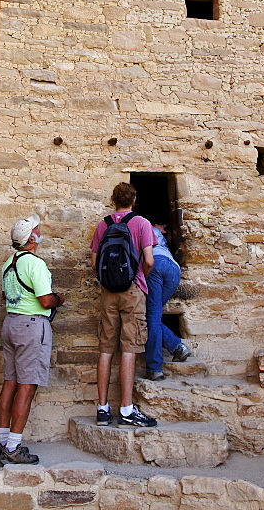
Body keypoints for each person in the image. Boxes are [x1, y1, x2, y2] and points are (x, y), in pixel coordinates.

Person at [0, 214, 65, 466]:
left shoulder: (7, 263)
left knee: (10, 382)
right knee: (27, 384)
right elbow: (45, 300)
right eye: (36, 229)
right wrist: (59, 299)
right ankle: (13, 446)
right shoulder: (35, 264)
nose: (39, 231)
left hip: (11, 322)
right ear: (31, 239)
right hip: (31, 325)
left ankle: (2, 441)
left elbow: (6, 295)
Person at [90, 181, 158, 428]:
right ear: (134, 200)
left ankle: (102, 409)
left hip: (108, 291)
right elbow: (149, 260)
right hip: (132, 290)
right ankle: (127, 410)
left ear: (113, 200)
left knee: (106, 349)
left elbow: (94, 261)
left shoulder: (104, 224)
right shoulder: (141, 223)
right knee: (129, 347)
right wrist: (140, 279)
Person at [144, 223, 191, 380]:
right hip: (174, 269)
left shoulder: (145, 227)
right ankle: (177, 347)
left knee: (151, 315)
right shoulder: (163, 240)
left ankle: (154, 367)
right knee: (153, 315)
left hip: (156, 265)